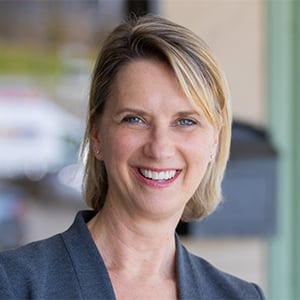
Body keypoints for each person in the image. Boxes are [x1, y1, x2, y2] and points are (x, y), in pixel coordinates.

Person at [0, 15, 265, 299]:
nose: (160, 148)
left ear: (214, 140)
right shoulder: (14, 284)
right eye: (135, 119)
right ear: (97, 134)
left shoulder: (240, 296)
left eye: (186, 121)